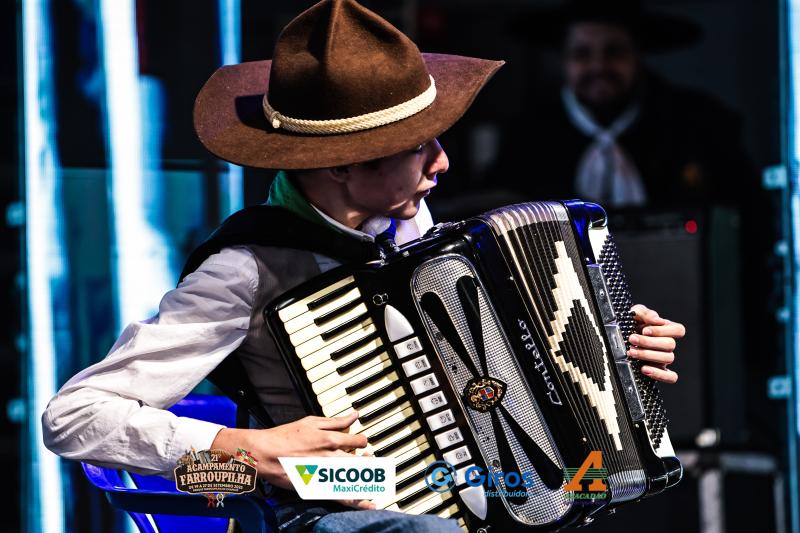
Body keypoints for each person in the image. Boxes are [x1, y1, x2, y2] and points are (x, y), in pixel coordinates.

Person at [41, 1, 685, 531]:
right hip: (328, 509)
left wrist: (605, 348)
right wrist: (246, 452)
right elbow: (74, 416)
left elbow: (480, 371)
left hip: (477, 490)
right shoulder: (246, 269)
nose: (443, 162)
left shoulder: (410, 225)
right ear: (341, 165)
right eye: (417, 147)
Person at [493, 0, 755, 208]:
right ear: (564, 61)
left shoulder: (699, 124)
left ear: (637, 55)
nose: (598, 66)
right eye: (582, 54)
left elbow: (750, 217)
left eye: (614, 52)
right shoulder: (528, 134)